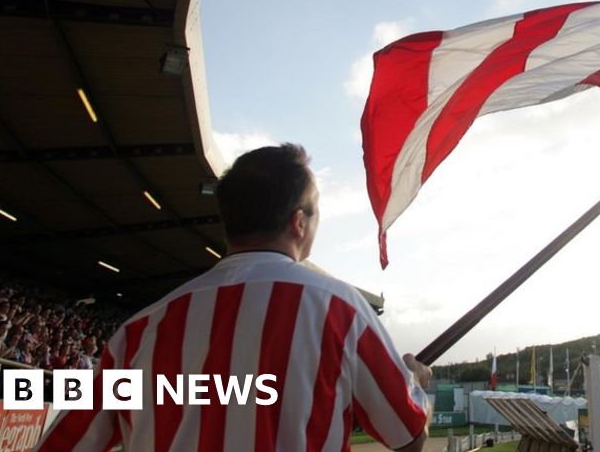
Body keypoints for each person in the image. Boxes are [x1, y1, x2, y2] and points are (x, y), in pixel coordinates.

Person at [36, 144, 431, 452]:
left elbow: (65, 442)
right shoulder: (340, 310)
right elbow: (408, 435)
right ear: (298, 221)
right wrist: (412, 382)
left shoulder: (140, 330)